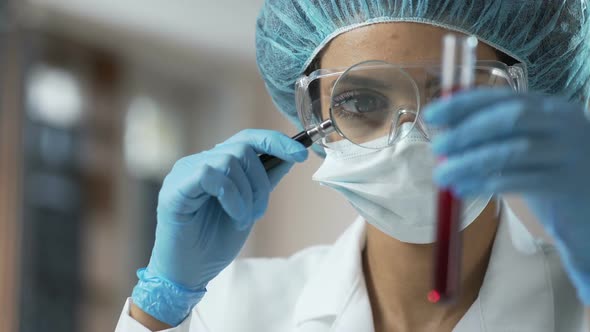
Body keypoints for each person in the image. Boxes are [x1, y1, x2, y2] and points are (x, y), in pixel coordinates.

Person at [115, 1, 590, 331]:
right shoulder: (235, 309)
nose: (408, 138)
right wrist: (161, 305)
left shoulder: (580, 303)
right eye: (361, 100)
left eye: (454, 95)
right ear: (316, 121)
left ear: (526, 102)